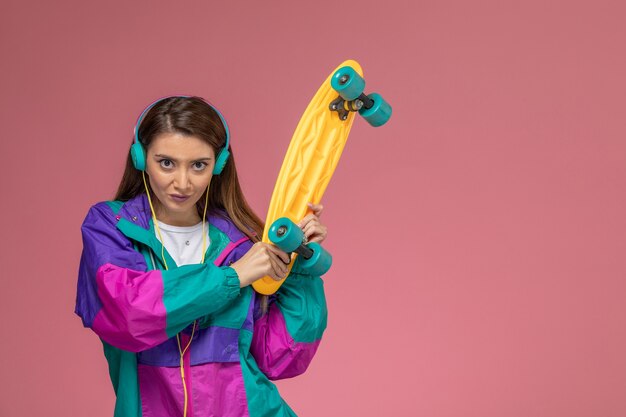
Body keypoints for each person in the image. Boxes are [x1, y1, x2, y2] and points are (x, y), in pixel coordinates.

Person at [75, 96, 329, 417]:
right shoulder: (111, 227)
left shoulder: (241, 241)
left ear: (218, 165)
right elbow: (129, 316)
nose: (182, 183)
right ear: (141, 158)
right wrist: (233, 277)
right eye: (166, 162)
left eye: (198, 165)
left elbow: (281, 357)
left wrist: (299, 268)